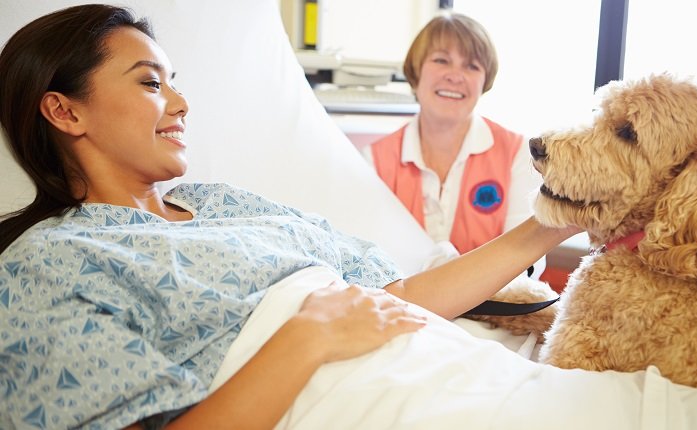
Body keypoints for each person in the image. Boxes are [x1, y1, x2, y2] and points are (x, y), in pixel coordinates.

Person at [0, 5, 578, 429]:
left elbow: (397, 296)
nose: (180, 103)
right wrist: (308, 335)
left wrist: (552, 224)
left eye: (175, 83)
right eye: (152, 83)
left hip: (450, 365)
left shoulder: (223, 203)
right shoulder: (47, 263)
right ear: (63, 110)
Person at [364, 13, 544, 275]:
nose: (455, 75)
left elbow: (528, 259)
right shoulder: (373, 161)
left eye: (471, 66)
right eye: (441, 60)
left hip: (493, 312)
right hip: (398, 309)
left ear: (485, 80)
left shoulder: (517, 155)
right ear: (416, 72)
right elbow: (366, 255)